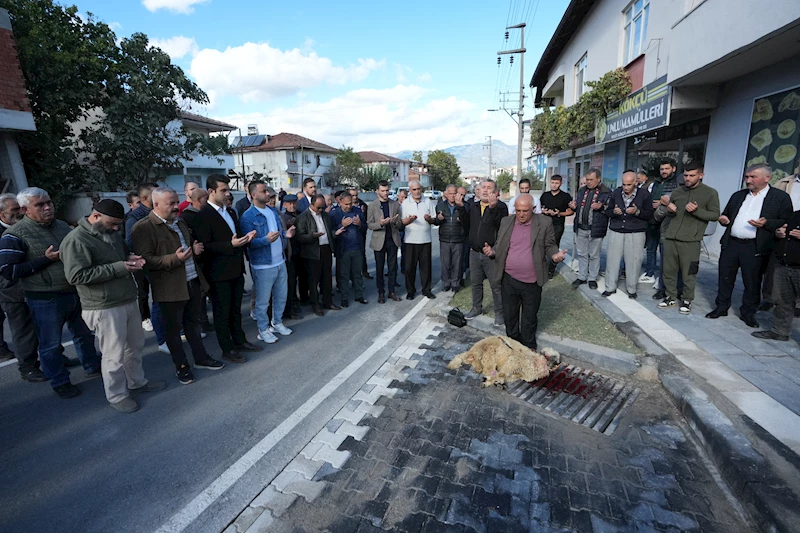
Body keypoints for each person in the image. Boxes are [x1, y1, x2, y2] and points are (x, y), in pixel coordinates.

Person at [61, 200, 167, 412]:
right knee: (113, 354)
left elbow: (117, 260)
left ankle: (137, 382)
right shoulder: (77, 239)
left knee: (135, 346)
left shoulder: (110, 233)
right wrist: (120, 267)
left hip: (127, 299)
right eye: (113, 223)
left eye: (119, 224)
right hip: (103, 306)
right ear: (96, 216)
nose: (117, 228)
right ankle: (117, 395)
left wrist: (130, 259)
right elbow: (76, 276)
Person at [0, 187, 102, 399]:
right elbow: (9, 271)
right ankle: (60, 381)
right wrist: (45, 260)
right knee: (50, 344)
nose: (47, 207)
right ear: (25, 209)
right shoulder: (14, 235)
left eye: (49, 202)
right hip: (44, 298)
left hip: (73, 292)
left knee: (84, 335)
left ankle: (92, 365)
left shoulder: (62, 226)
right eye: (40, 205)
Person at [132, 188, 225, 385]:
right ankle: (182, 367)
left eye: (177, 202)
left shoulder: (180, 222)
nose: (176, 207)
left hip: (191, 281)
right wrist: (175, 259)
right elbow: (145, 260)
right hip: (169, 289)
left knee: (193, 325)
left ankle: (201, 358)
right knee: (173, 332)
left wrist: (196, 249)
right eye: (171, 204)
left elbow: (189, 247)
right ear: (156, 205)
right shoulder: (144, 228)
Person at [706, 164, 792, 326]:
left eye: (753, 177)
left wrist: (767, 223)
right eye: (747, 177)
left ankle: (748, 312)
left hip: (755, 246)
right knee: (725, 277)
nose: (748, 180)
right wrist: (724, 220)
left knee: (752, 281)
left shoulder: (779, 198)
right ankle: (721, 307)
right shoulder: (739, 195)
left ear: (767, 178)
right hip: (731, 243)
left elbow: (785, 220)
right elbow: (727, 214)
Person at [190, 175, 261, 363]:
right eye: (223, 190)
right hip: (218, 272)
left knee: (236, 310)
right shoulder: (204, 214)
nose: (227, 193)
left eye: (228, 189)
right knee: (222, 313)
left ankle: (239, 340)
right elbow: (205, 246)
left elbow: (235, 237)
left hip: (236, 269)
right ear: (211, 191)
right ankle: (227, 348)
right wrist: (231, 245)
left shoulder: (229, 212)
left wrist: (247, 238)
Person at [484, 194, 567, 350]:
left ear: (533, 209)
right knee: (510, 316)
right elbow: (499, 244)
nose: (521, 214)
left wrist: (555, 255)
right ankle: (512, 344)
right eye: (518, 210)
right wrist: (492, 252)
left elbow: (549, 245)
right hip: (509, 279)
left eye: (525, 211)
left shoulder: (544, 222)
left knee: (529, 318)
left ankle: (528, 346)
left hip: (532, 281)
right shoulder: (507, 221)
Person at [653, 162, 720, 315]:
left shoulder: (710, 193)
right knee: (668, 270)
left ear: (701, 175)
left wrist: (697, 211)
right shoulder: (677, 191)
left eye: (692, 175)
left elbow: (715, 215)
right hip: (671, 237)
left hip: (691, 240)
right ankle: (670, 296)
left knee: (688, 272)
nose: (688, 178)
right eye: (686, 175)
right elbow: (670, 213)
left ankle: (687, 299)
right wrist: (669, 208)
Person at [240, 182, 294, 343]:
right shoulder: (248, 217)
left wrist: (286, 234)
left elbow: (278, 232)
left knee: (281, 296)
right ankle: (263, 329)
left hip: (279, 261)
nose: (268, 194)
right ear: (254, 195)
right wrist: (265, 240)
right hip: (263, 265)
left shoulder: (272, 211)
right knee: (263, 302)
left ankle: (277, 322)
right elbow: (248, 243)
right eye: (264, 191)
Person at [0, 193, 46, 382]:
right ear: (2, 213)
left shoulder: (28, 227)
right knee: (23, 329)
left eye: (20, 208)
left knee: (45, 325)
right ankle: (28, 367)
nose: (19, 212)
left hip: (36, 286)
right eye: (14, 210)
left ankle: (53, 356)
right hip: (11, 291)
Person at [124, 182, 168, 350]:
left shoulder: (157, 213)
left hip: (163, 263)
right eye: (154, 195)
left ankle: (172, 334)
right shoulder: (135, 218)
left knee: (166, 301)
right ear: (144, 198)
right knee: (156, 300)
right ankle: (162, 340)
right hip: (148, 265)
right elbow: (130, 244)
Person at [462, 179, 508, 325]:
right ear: (478, 190)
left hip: (492, 254)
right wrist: (460, 207)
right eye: (483, 187)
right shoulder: (473, 206)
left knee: (496, 285)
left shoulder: (501, 207)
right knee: (476, 283)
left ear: (495, 192)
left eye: (489, 188)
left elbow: (502, 227)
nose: (485, 190)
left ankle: (499, 313)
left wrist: (493, 208)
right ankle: (476, 307)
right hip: (474, 252)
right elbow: (466, 223)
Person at [602, 170, 653, 298]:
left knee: (634, 261)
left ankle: (631, 289)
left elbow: (650, 214)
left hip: (636, 232)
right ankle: (610, 287)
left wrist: (637, 212)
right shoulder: (616, 193)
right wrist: (614, 211)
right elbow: (608, 211)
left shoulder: (644, 194)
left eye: (629, 185)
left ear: (635, 182)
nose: (626, 187)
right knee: (612, 260)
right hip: (616, 230)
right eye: (624, 184)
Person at [752, 209, 800, 341]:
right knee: (782, 301)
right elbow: (781, 230)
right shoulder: (794, 215)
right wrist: (778, 233)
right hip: (784, 265)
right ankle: (780, 332)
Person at [762, 156, 800, 312]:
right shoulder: (784, 182)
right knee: (774, 265)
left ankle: (797, 303)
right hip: (784, 227)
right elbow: (772, 203)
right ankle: (768, 298)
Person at [569, 168, 611, 290]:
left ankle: (592, 278)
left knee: (594, 255)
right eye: (587, 179)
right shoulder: (582, 190)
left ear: (598, 179)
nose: (589, 182)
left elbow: (611, 209)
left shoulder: (606, 192)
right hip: (581, 227)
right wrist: (573, 206)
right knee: (582, 253)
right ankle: (582, 276)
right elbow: (578, 206)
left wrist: (602, 207)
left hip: (596, 228)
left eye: (591, 180)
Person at [297, 194, 339, 316]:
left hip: (326, 249)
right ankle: (315, 304)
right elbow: (300, 236)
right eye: (318, 207)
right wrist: (312, 236)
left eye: (322, 207)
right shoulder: (303, 217)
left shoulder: (325, 215)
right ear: (311, 205)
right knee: (313, 280)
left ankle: (327, 301)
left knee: (327, 278)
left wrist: (335, 233)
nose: (321, 210)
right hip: (312, 252)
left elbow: (329, 230)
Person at [401, 180, 439, 300]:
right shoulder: (405, 203)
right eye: (414, 189)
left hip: (425, 239)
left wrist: (429, 219)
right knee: (409, 268)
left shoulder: (428, 201)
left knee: (426, 267)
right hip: (410, 240)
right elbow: (401, 222)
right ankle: (410, 290)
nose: (417, 191)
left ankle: (426, 290)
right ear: (410, 190)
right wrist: (410, 220)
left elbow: (434, 219)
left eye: (419, 189)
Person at [368, 180, 403, 304]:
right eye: (383, 190)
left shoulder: (395, 204)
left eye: (387, 190)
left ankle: (392, 291)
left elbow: (400, 224)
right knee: (379, 268)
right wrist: (380, 224)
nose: (386, 193)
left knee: (392, 267)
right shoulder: (372, 205)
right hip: (379, 240)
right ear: (377, 191)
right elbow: (370, 225)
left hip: (392, 239)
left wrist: (395, 222)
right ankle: (381, 293)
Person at [650, 160, 681, 299]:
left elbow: (677, 206)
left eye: (667, 168)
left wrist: (664, 205)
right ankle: (661, 287)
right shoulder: (657, 183)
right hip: (655, 221)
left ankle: (674, 290)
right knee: (658, 257)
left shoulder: (678, 184)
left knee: (671, 262)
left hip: (670, 226)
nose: (664, 171)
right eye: (662, 169)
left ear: (673, 169)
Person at [331, 191, 367, 306]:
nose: (348, 206)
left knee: (357, 273)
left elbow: (365, 228)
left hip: (357, 248)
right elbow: (331, 232)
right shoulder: (334, 214)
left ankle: (359, 295)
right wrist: (341, 225)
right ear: (340, 202)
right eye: (346, 204)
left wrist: (360, 224)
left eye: (350, 204)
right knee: (344, 275)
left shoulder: (357, 211)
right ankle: (344, 298)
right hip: (343, 249)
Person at [539, 174, 573, 278]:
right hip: (544, 224)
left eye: (556, 183)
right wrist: (544, 211)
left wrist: (559, 214)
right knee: (541, 245)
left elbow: (571, 211)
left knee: (554, 246)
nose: (554, 185)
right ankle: (541, 268)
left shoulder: (565, 196)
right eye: (552, 183)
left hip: (558, 225)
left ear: (561, 183)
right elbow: (538, 208)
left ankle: (551, 270)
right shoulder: (545, 195)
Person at [436, 184, 467, 292]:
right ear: (446, 194)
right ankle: (446, 283)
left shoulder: (463, 206)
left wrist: (461, 218)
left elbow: (467, 222)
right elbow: (436, 222)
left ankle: (455, 283)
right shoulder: (440, 206)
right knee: (445, 263)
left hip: (458, 239)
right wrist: (439, 219)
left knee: (457, 264)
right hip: (444, 238)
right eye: (450, 193)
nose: (453, 195)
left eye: (455, 193)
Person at [281, 194, 305, 317]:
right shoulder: (283, 218)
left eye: (294, 202)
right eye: (289, 203)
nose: (292, 205)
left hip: (303, 251)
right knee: (291, 281)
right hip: (290, 254)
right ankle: (292, 303)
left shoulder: (302, 214)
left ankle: (304, 298)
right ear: (284, 205)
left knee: (304, 278)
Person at [397, 188, 408, 274]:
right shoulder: (394, 205)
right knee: (392, 252)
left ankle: (404, 267)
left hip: (405, 230)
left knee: (405, 251)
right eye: (402, 197)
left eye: (405, 197)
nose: (403, 199)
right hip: (396, 230)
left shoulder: (408, 206)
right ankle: (392, 270)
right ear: (398, 196)